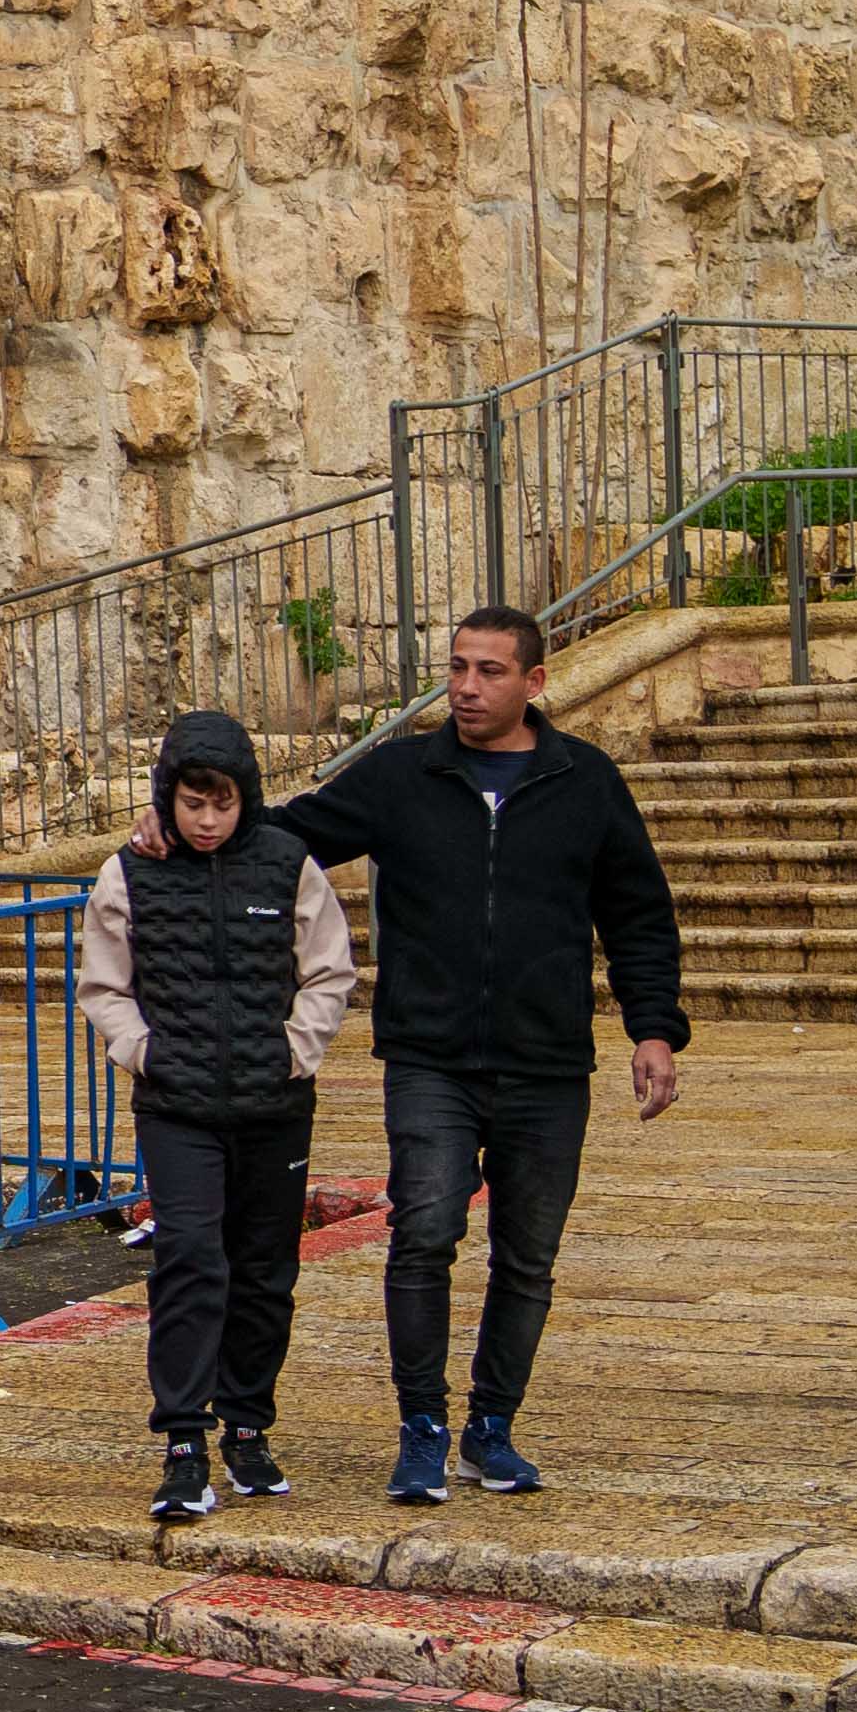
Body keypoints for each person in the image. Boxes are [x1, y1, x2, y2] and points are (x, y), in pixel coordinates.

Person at [139, 607, 687, 1507]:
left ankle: (492, 1428)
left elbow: (637, 913)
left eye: (490, 671)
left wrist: (653, 1027)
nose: (466, 687)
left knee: (528, 1255)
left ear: (534, 683)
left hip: (548, 1065)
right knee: (424, 1233)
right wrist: (173, 817)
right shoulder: (404, 772)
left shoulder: (585, 780)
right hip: (429, 1057)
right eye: (457, 668)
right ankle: (421, 1428)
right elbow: (275, 831)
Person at [76, 711, 359, 1519]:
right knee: (191, 1260)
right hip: (178, 1105)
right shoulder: (128, 871)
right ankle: (181, 1440)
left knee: (266, 1269)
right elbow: (104, 984)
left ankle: (247, 1425)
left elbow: (329, 969)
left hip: (275, 1103)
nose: (206, 821)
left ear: (246, 799)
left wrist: (294, 1049)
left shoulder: (287, 863)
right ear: (168, 797)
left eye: (222, 804)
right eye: (192, 803)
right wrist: (146, 1051)